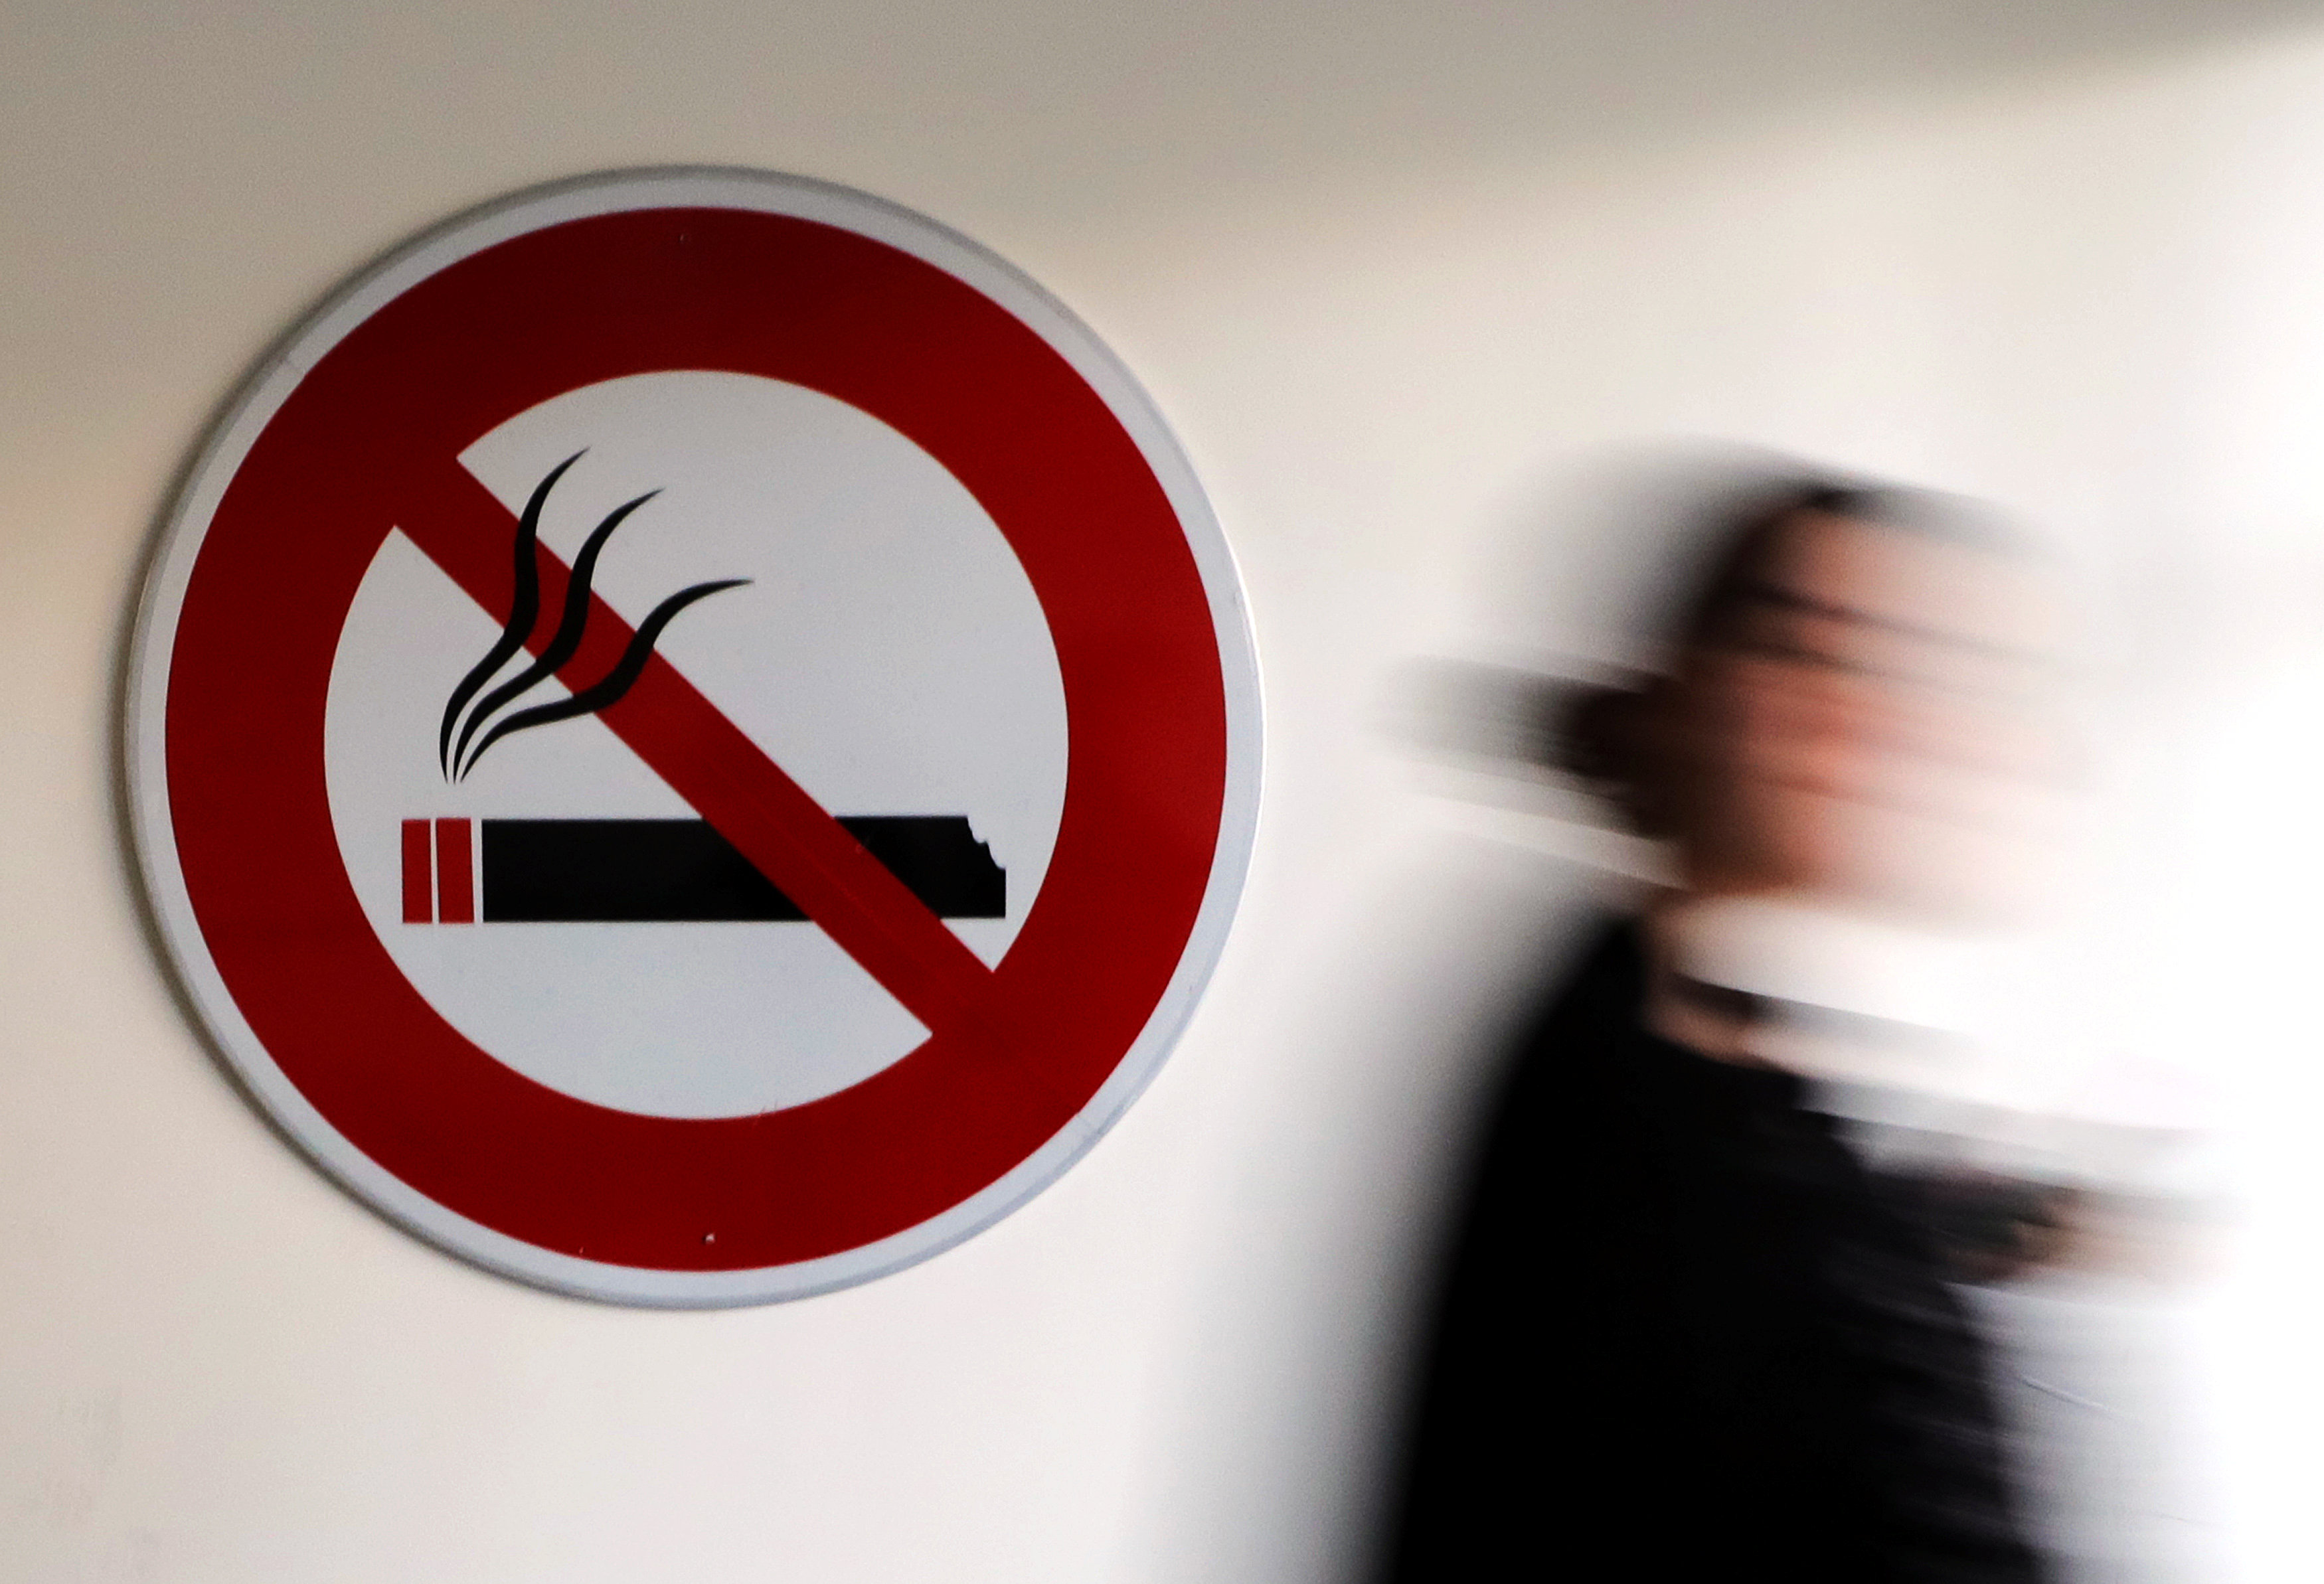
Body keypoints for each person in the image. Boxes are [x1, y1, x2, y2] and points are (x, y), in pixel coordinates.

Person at [1380, 476, 2061, 1582]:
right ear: (1688, 692)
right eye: (1809, 650)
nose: (1869, 714)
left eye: (1919, 669)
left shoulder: (1697, 1049)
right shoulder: (1623, 1092)